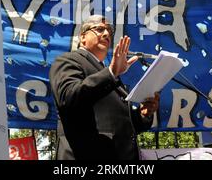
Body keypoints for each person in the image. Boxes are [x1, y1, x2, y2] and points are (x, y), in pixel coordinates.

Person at [49, 15, 160, 160]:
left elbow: (119, 124)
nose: (107, 34)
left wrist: (143, 113)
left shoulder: (108, 74)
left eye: (109, 31)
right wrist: (111, 72)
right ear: (83, 37)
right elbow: (68, 97)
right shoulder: (68, 60)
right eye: (99, 29)